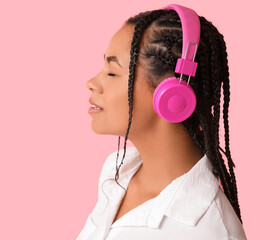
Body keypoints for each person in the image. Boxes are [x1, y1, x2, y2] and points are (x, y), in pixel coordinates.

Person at [79, 4, 247, 240]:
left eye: (112, 72)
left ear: (171, 96)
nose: (91, 82)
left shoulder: (207, 232)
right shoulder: (118, 171)